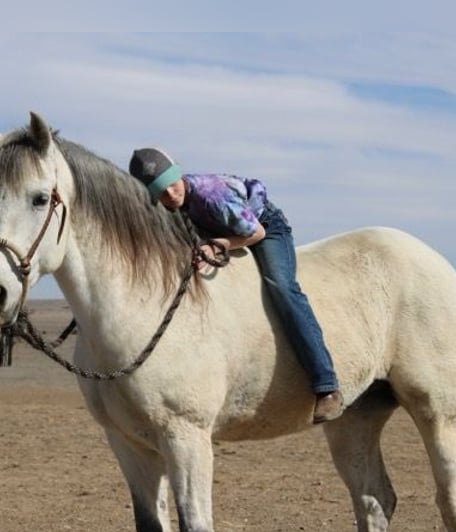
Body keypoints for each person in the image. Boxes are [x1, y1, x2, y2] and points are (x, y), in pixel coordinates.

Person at [129, 148, 344, 423]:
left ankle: (326, 385)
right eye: (160, 192)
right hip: (219, 229)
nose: (170, 195)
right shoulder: (166, 206)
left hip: (262, 227)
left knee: (281, 286)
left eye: (171, 185)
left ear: (178, 175)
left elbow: (256, 232)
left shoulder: (212, 195)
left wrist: (220, 244)